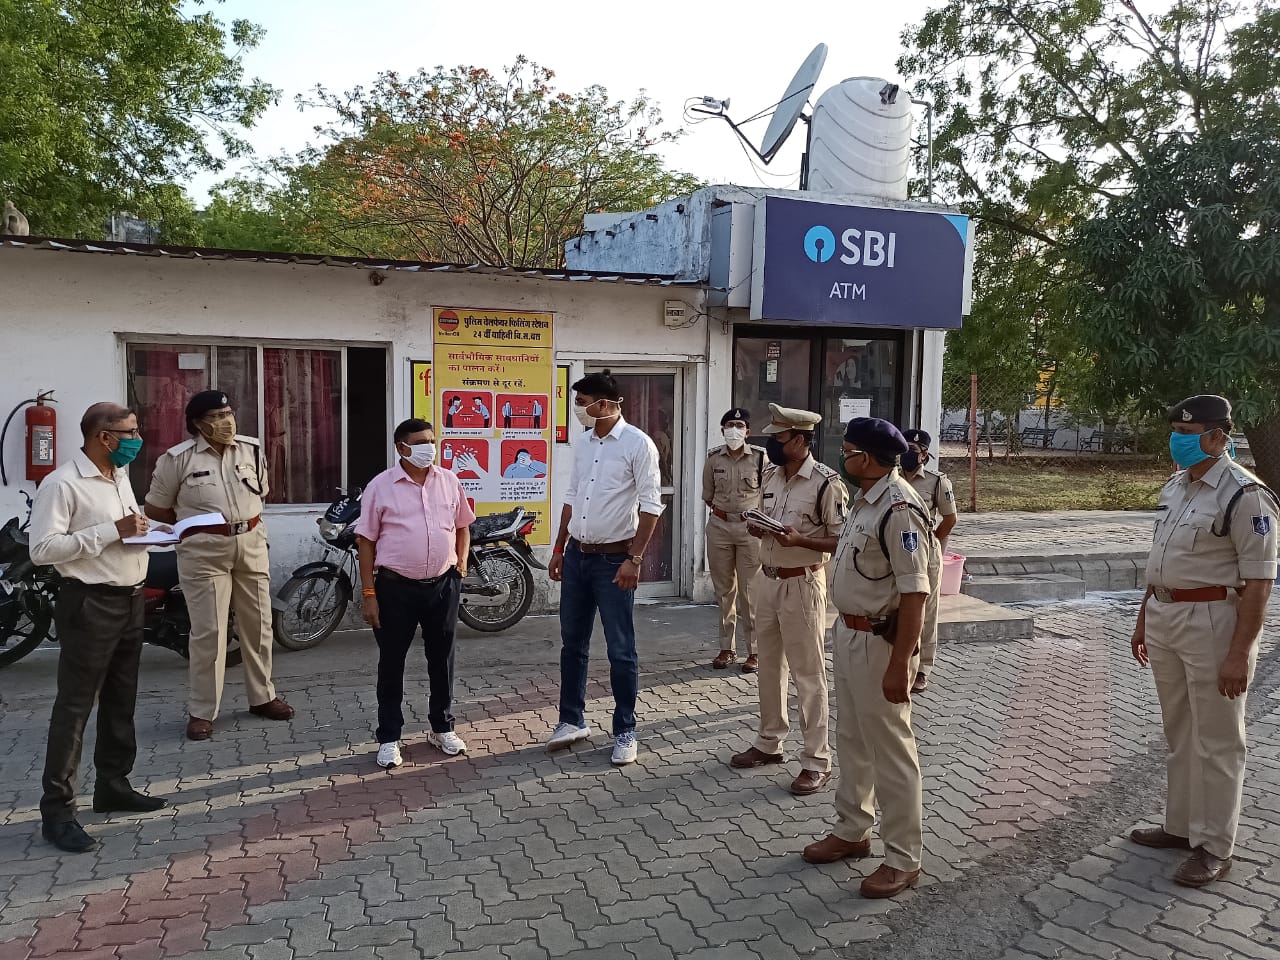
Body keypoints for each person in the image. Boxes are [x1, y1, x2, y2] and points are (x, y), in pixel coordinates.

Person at [1129, 395, 1276, 887]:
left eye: (1187, 434)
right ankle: (1181, 826)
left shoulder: (1245, 495)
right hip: (1166, 614)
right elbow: (1161, 558)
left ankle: (1215, 845)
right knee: (1180, 730)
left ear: (1218, 437)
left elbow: (1259, 582)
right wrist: (1143, 617)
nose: (1178, 441)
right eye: (1176, 431)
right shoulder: (1177, 487)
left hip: (1213, 621)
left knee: (1217, 738)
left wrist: (1240, 652)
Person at [803, 417, 939, 898]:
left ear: (869, 458)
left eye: (849, 449)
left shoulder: (899, 508)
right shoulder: (866, 500)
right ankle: (852, 830)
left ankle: (903, 857)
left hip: (882, 642)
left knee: (892, 751)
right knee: (852, 739)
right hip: (849, 633)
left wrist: (903, 663)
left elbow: (915, 593)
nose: (844, 455)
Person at [30, 403, 167, 852]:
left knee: (120, 699)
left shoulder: (118, 476)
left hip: (130, 600)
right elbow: (44, 549)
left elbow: (127, 529)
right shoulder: (62, 484)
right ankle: (57, 812)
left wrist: (164, 532)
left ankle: (113, 785)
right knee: (74, 708)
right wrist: (112, 531)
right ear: (103, 436)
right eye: (129, 432)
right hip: (89, 603)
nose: (137, 439)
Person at [145, 390, 293, 740]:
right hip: (204, 551)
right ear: (198, 424)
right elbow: (157, 508)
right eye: (216, 416)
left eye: (228, 413)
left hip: (252, 542)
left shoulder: (251, 449)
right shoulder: (176, 459)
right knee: (209, 632)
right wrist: (199, 526)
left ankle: (263, 697)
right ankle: (202, 711)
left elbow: (261, 492)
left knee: (259, 625)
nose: (226, 421)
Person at [730, 403, 848, 797]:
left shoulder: (826, 483)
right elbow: (765, 517)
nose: (772, 445)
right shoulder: (771, 476)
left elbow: (841, 540)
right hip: (767, 580)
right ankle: (769, 742)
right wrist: (759, 527)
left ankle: (816, 760)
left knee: (808, 675)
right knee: (768, 666)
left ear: (800, 440)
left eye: (779, 439)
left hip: (802, 584)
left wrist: (801, 541)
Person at [547, 370, 663, 766]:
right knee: (572, 644)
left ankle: (625, 729)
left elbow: (651, 506)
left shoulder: (638, 444)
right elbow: (572, 495)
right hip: (578, 556)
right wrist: (559, 546)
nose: (579, 410)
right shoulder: (583, 443)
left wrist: (635, 559)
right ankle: (571, 720)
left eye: (583, 403)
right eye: (578, 403)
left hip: (616, 561)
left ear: (607, 404)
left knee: (620, 649)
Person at [356, 418, 475, 769]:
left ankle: (442, 727)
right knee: (392, 663)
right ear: (401, 448)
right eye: (421, 442)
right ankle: (390, 736)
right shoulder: (381, 486)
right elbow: (366, 541)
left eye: (432, 440)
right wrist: (369, 592)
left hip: (442, 585)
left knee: (442, 660)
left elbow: (463, 525)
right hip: (394, 588)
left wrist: (461, 567)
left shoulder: (449, 481)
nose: (430, 448)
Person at [702, 407, 766, 672]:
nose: (734, 430)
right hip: (719, 526)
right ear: (722, 430)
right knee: (724, 590)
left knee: (751, 592)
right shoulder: (714, 458)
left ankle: (755, 651)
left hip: (750, 528)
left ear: (747, 431)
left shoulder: (761, 459)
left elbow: (768, 494)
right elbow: (707, 494)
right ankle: (726, 649)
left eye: (739, 425)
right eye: (729, 425)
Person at [899, 429, 957, 693]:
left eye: (912, 450)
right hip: (898, 553)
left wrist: (933, 542)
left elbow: (950, 518)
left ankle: (923, 668)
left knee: (927, 611)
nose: (907, 455)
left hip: (927, 554)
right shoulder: (891, 478)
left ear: (924, 454)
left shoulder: (936, 482)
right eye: (904, 449)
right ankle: (901, 663)